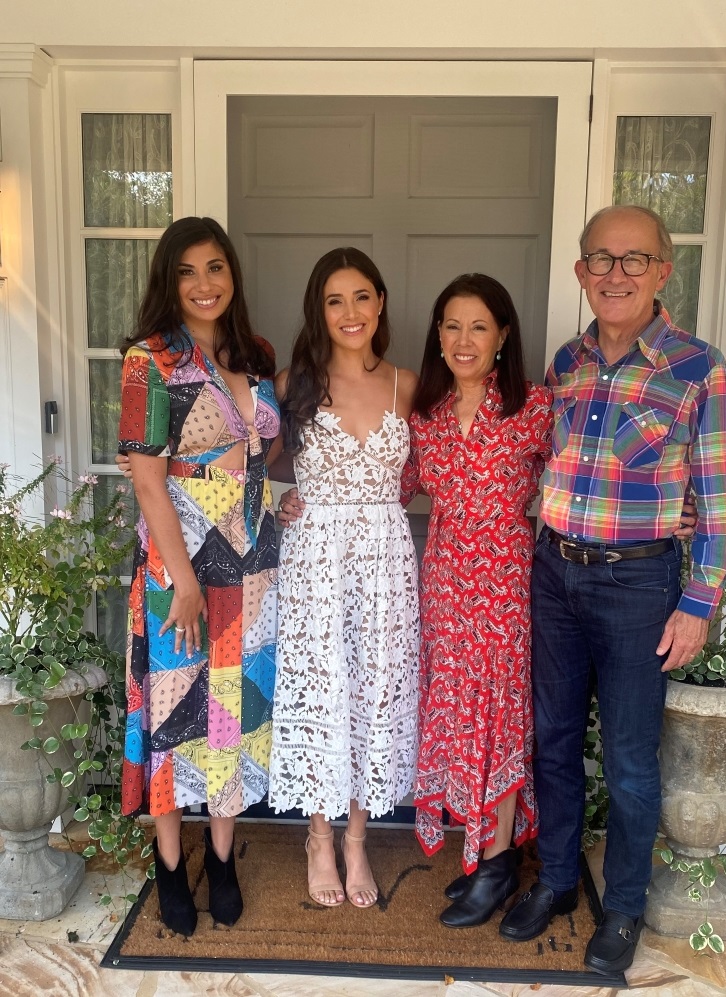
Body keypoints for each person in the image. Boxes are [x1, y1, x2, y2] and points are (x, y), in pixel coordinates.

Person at [498, 205, 726, 976]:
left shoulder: (698, 368)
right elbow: (539, 464)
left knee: (631, 759)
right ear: (580, 272)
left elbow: (718, 498)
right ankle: (560, 883)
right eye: (601, 259)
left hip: (639, 583)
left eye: (634, 260)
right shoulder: (566, 362)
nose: (616, 274)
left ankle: (624, 906)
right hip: (553, 571)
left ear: (663, 271)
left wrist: (698, 602)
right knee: (554, 741)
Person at [117, 216, 281, 936]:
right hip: (179, 568)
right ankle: (169, 860)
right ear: (169, 280)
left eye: (215, 267)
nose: (205, 283)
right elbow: (149, 481)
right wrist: (181, 580)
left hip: (253, 569)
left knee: (231, 716)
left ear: (231, 275)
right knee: (173, 714)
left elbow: (260, 459)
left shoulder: (257, 353)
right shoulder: (146, 361)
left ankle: (221, 857)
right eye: (188, 271)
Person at [267, 248, 420, 909]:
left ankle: (357, 837)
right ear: (318, 311)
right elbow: (254, 467)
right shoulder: (288, 384)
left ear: (380, 302)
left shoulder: (407, 385)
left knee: (373, 690)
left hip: (385, 559)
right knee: (324, 689)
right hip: (314, 559)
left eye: (361, 296)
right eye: (334, 300)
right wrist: (279, 501)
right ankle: (317, 836)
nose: (350, 312)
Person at [400, 274, 553, 928]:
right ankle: (482, 855)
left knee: (500, 714)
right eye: (451, 325)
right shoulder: (424, 417)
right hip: (443, 585)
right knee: (458, 711)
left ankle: (496, 861)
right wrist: (292, 495)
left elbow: (590, 470)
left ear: (502, 336)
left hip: (504, 587)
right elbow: (388, 483)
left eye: (478, 327)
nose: (463, 340)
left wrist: (673, 508)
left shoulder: (535, 408)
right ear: (437, 334)